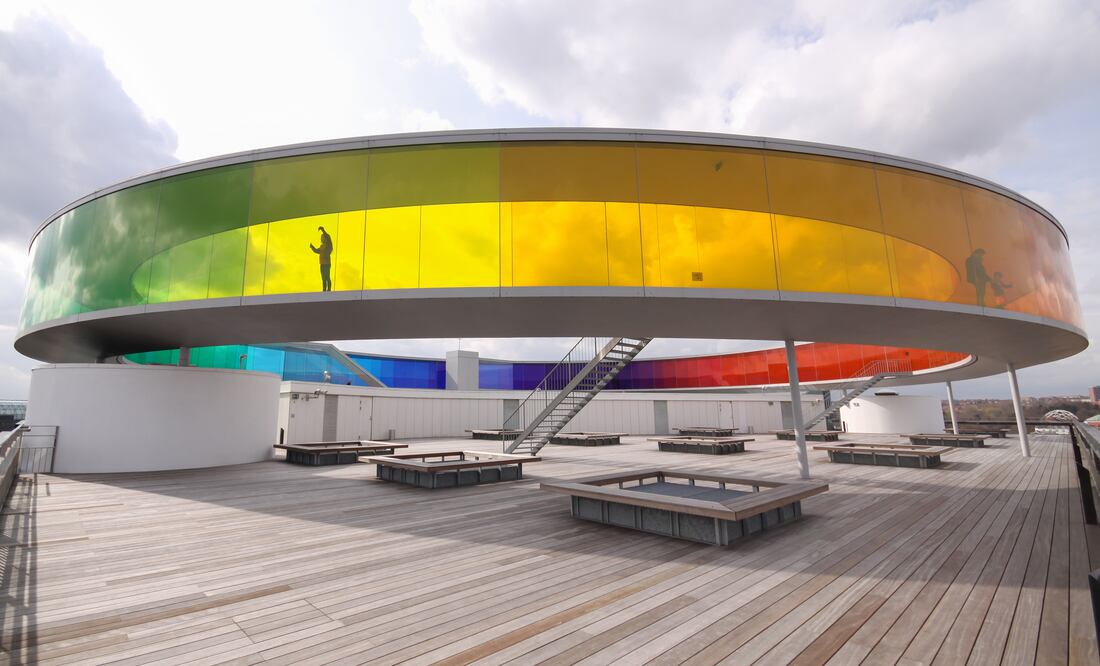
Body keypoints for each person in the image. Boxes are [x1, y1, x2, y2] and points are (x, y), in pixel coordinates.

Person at [310, 226, 333, 291]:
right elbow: (317, 251)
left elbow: (328, 237)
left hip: (327, 263)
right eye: (321, 237)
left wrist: (323, 230)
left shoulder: (328, 245)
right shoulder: (322, 246)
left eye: (323, 237)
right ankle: (324, 289)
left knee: (327, 277)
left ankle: (329, 289)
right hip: (322, 263)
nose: (322, 238)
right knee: (323, 278)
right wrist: (312, 247)